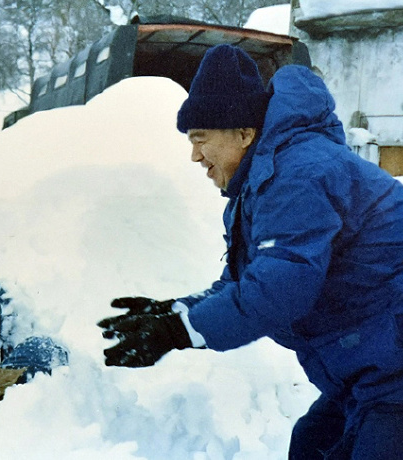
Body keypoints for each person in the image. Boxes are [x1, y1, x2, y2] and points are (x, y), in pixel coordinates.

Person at [98, 44, 403, 459]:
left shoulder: (300, 173)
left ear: (244, 132)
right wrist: (176, 312)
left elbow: (280, 288)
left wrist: (180, 333)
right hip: (367, 367)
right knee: (312, 445)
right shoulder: (259, 187)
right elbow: (242, 282)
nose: (194, 156)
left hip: (391, 372)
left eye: (201, 139)